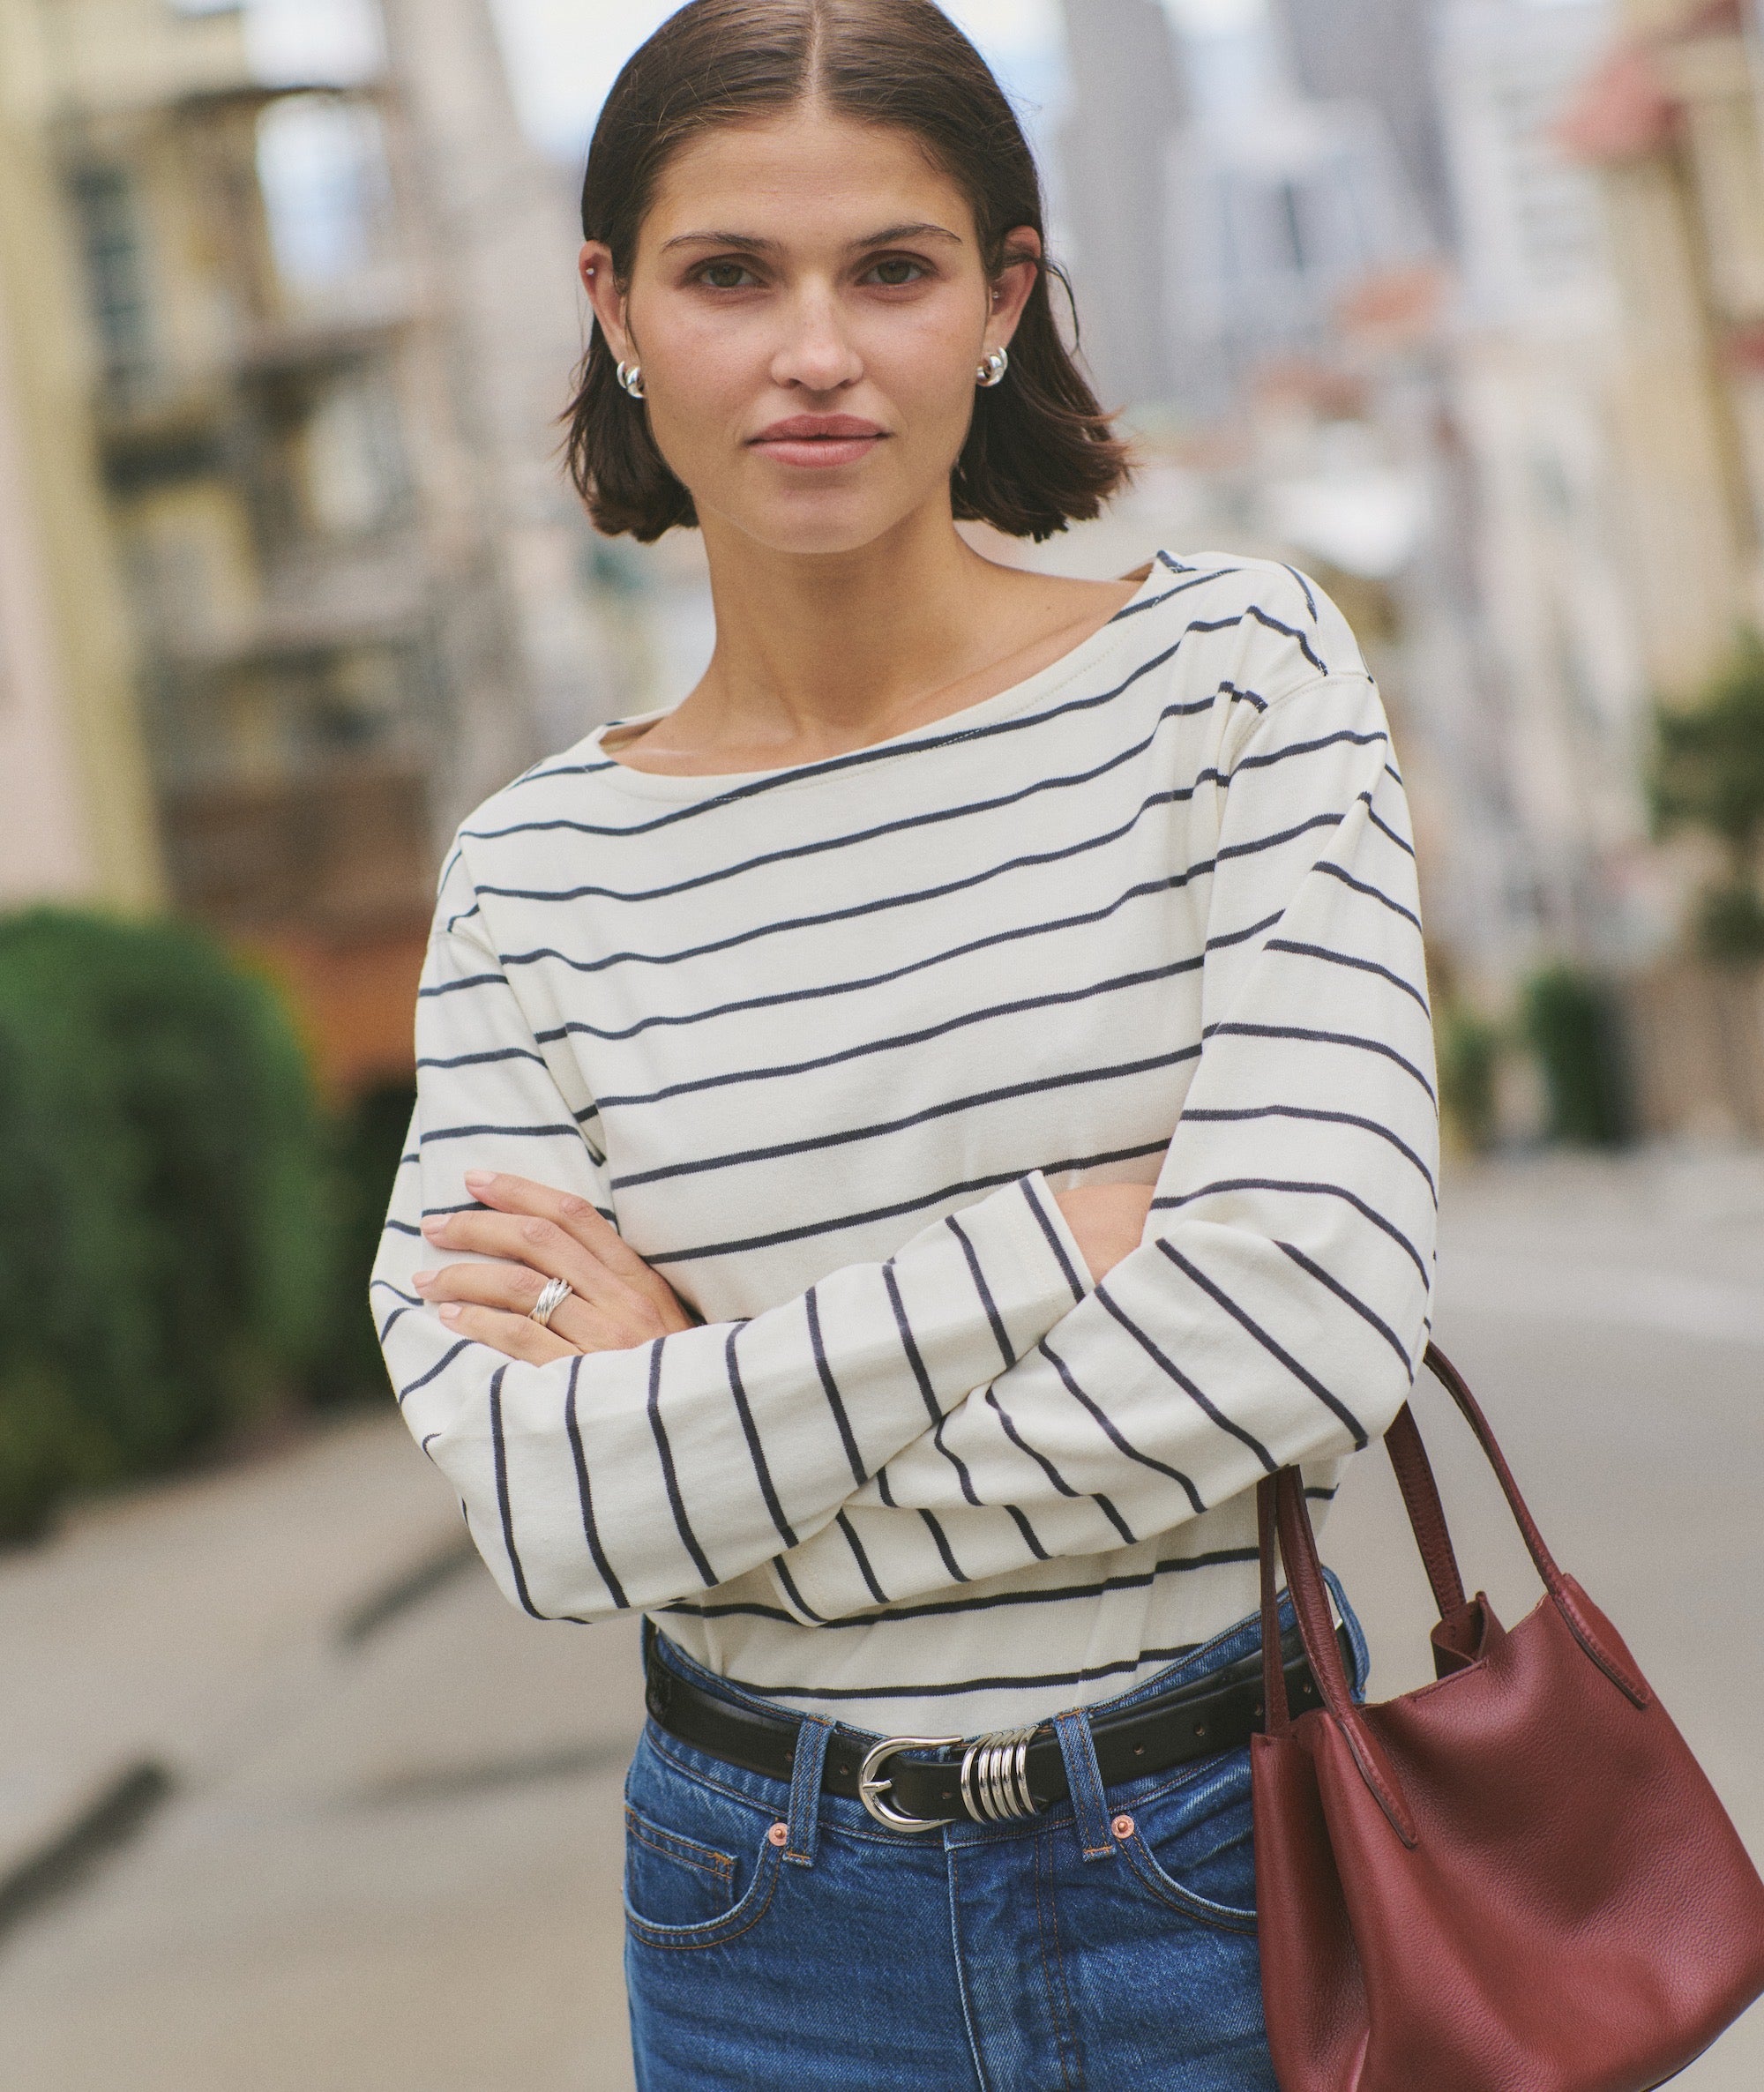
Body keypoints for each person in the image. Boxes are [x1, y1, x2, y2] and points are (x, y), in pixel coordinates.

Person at [370, 0, 1439, 2081]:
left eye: (892, 266)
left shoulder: (1229, 680)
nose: (814, 352)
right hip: (763, 1927)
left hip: (1232, 1864)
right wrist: (1064, 1245)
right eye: (727, 274)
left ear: (1001, 299)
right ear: (612, 307)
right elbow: (548, 1514)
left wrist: (699, 1423)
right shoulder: (532, 877)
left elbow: (1312, 1334)